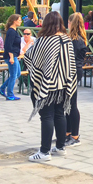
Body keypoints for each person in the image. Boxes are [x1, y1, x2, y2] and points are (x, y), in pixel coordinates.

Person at [23, 11, 76, 163]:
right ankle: (60, 147)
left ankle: (44, 151)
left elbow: (30, 58)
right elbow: (70, 64)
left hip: (47, 84)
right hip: (63, 84)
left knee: (46, 116)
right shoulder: (67, 40)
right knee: (60, 114)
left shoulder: (44, 40)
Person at [65, 12, 88, 147]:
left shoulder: (75, 40)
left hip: (73, 71)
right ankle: (68, 133)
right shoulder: (78, 39)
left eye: (68, 23)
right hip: (75, 70)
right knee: (67, 103)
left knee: (72, 103)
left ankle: (75, 135)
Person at [0, 14, 22, 101]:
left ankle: (2, 88)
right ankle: (10, 94)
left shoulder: (15, 31)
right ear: (14, 21)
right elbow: (8, 45)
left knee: (17, 74)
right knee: (13, 75)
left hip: (15, 55)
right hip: (11, 56)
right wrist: (11, 57)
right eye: (19, 20)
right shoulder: (11, 31)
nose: (20, 21)